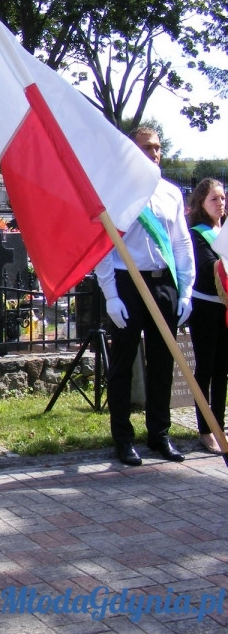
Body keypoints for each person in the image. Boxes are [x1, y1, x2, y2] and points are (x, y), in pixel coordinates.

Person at [95, 126, 195, 466]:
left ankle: (159, 434)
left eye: (156, 147)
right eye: (145, 148)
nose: (153, 153)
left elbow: (181, 242)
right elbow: (104, 247)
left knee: (163, 362)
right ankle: (123, 438)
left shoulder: (171, 193)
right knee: (123, 362)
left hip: (163, 281)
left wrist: (186, 289)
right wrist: (110, 294)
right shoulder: (117, 193)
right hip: (127, 282)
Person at [186, 178, 228, 453]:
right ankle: (204, 429)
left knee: (222, 369)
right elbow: (208, 266)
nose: (220, 203)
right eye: (214, 199)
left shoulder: (223, 231)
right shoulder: (198, 233)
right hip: (204, 308)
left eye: (223, 198)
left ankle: (218, 426)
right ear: (201, 203)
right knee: (206, 367)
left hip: (224, 307)